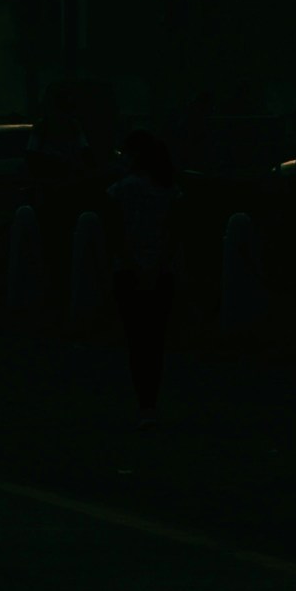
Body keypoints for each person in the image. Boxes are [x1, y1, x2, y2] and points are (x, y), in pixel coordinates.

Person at [111, 129, 176, 415]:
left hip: (129, 270)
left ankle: (144, 402)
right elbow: (173, 234)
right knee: (155, 340)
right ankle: (152, 398)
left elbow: (117, 235)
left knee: (137, 341)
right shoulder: (169, 189)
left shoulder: (122, 190)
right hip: (161, 270)